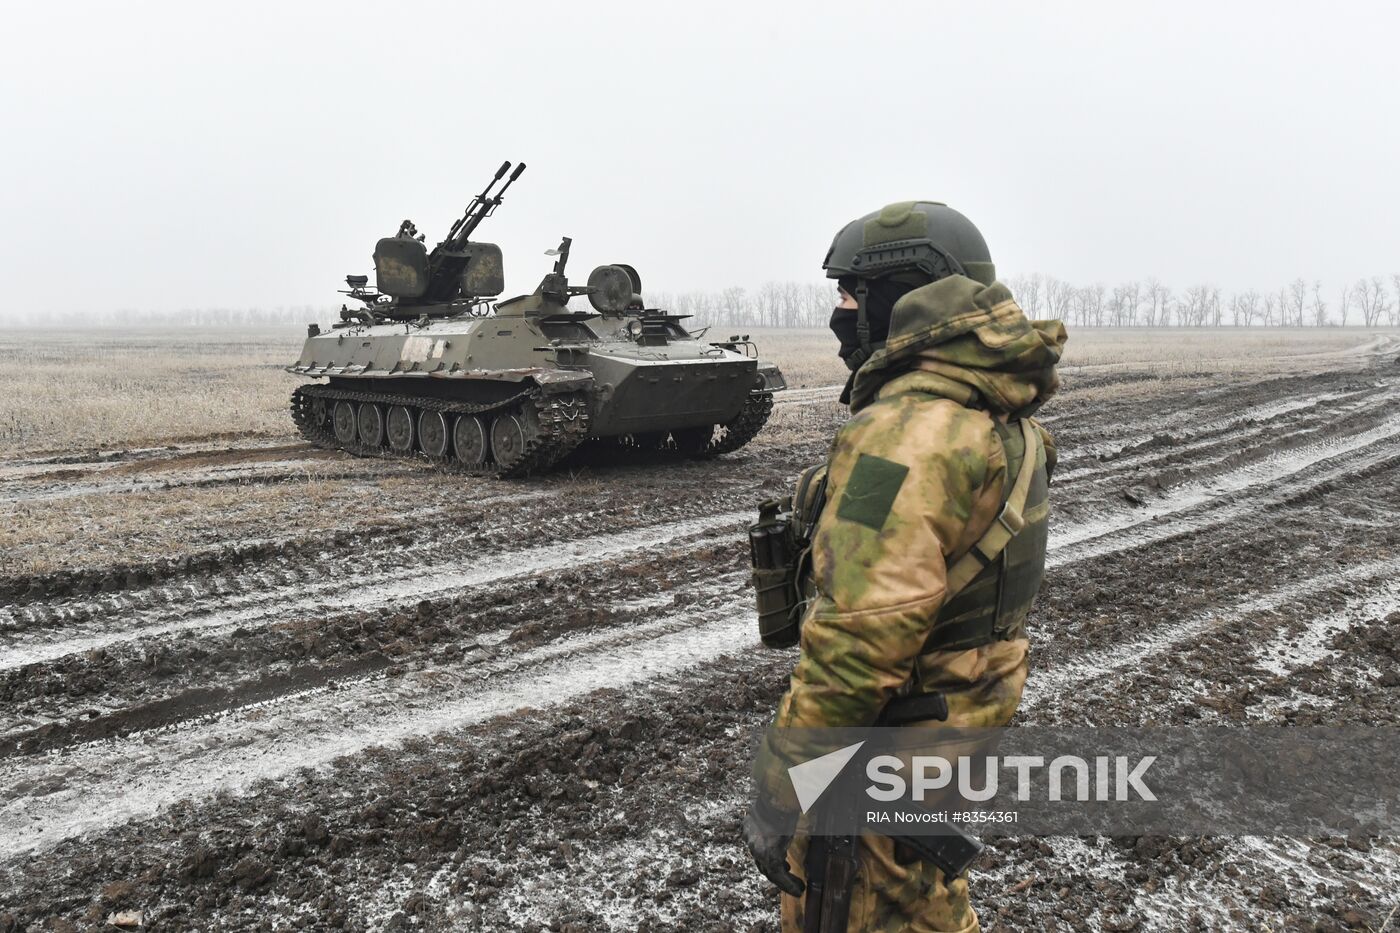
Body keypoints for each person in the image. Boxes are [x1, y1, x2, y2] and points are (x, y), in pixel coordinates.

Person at [744, 201, 1066, 932]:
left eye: (852, 294)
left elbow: (858, 644)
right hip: (953, 721)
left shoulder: (904, 438)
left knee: (866, 908)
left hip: (889, 737)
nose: (840, 312)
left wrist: (780, 786)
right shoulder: (993, 411)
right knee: (919, 903)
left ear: (904, 292)